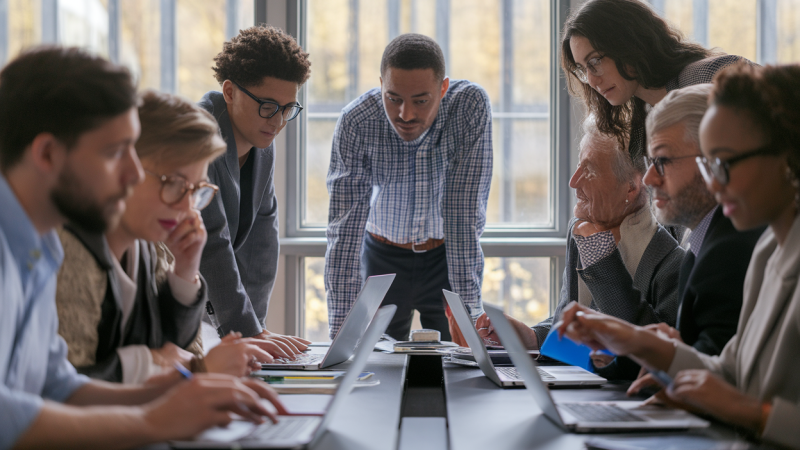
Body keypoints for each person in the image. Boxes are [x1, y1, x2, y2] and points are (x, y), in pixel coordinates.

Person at [0, 47, 283, 450]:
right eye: (116, 153)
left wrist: (181, 390)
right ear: (46, 154)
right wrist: (153, 420)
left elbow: (58, 386)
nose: (133, 173)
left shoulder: (40, 245)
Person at [557, 63, 800, 449]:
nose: (714, 181)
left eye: (725, 162)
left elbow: (740, 396)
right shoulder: (771, 249)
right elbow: (730, 370)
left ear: (788, 158)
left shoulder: (744, 247)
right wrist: (636, 341)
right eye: (709, 164)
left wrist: (751, 413)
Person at [56, 91, 291, 384]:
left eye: (197, 191)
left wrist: (184, 274)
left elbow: (179, 350)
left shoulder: (150, 246)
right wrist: (174, 367)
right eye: (175, 184)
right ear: (126, 169)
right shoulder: (69, 251)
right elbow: (67, 388)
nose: (186, 208)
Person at [469, 116, 684, 379]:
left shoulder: (671, 263)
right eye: (578, 167)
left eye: (589, 170)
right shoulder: (580, 232)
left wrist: (601, 256)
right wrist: (532, 337)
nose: (574, 181)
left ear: (631, 186)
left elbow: (644, 357)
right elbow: (574, 332)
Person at [324, 33, 493, 340]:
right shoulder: (356, 121)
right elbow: (344, 231)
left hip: (446, 256)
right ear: (381, 85)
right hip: (381, 257)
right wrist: (341, 333)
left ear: (442, 88)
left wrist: (469, 314)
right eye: (394, 98)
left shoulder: (468, 107)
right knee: (371, 365)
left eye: (421, 101)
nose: (406, 114)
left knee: (458, 362)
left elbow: (463, 214)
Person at [560, 0, 751, 203]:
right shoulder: (641, 130)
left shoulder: (708, 77)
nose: (590, 80)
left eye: (595, 61)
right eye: (582, 69)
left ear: (627, 43)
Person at [199, 26, 311, 351]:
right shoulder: (199, 138)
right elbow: (212, 243)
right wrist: (247, 333)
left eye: (287, 109)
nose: (276, 122)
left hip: (215, 318)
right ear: (230, 91)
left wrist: (257, 330)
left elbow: (262, 240)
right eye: (267, 105)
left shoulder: (261, 142)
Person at [641, 83, 763, 357]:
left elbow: (714, 372)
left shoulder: (731, 249)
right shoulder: (702, 245)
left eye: (662, 160)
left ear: (713, 158)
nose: (648, 179)